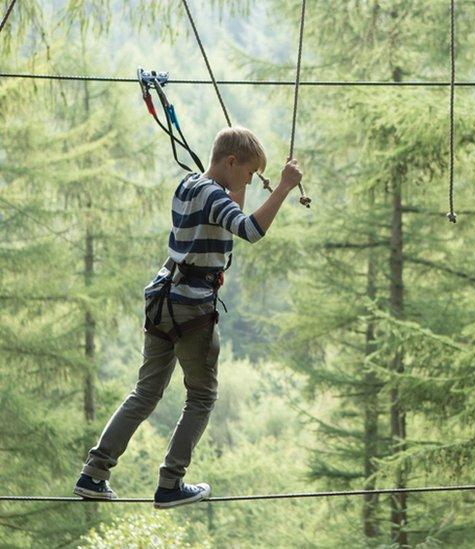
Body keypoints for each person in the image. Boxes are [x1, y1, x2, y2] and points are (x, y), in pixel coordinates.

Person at [73, 127, 303, 509]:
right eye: (248, 173)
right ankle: (171, 484)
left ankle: (93, 474)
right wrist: (283, 187)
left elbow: (229, 211)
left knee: (144, 393)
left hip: (162, 297)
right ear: (230, 162)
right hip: (192, 308)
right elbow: (250, 230)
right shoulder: (216, 197)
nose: (249, 180)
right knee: (201, 397)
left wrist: (244, 178)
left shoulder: (189, 186)